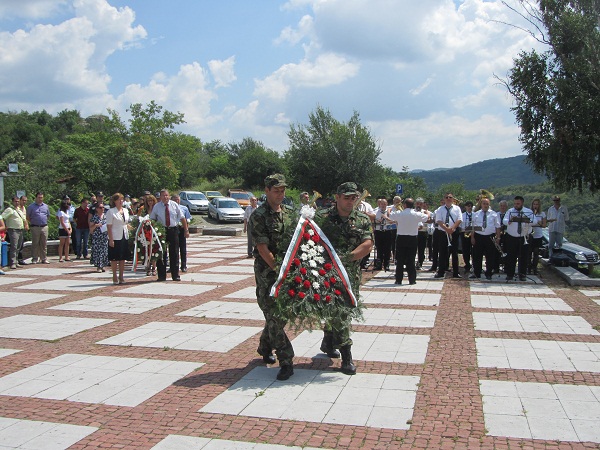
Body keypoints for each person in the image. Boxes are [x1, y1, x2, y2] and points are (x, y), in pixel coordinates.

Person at [315, 182, 374, 375]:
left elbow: (367, 244)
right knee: (335, 309)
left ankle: (337, 347)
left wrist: (345, 259)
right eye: (346, 197)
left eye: (353, 198)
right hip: (325, 273)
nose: (350, 201)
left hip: (350, 275)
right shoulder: (322, 218)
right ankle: (337, 347)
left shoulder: (362, 219)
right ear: (337, 197)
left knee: (342, 311)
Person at [250, 174, 297, 381]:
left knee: (279, 316)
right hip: (268, 274)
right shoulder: (258, 215)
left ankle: (264, 345)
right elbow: (262, 248)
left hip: (289, 272)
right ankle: (286, 360)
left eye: (283, 190)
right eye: (276, 190)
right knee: (273, 316)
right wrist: (280, 270)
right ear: (267, 190)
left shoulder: (289, 213)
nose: (280, 194)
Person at [388, 198, 430, 285]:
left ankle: (398, 279)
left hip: (401, 238)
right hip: (412, 238)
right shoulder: (416, 214)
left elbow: (390, 215)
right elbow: (426, 218)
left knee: (399, 260)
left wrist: (391, 208)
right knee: (411, 260)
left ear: (405, 205)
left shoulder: (400, 213)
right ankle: (412, 280)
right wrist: (427, 212)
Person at [149, 189, 188, 282]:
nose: (165, 197)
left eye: (167, 195)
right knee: (161, 253)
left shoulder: (174, 205)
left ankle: (175, 275)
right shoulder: (157, 207)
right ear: (160, 197)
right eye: (163, 195)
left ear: (169, 196)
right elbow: (152, 219)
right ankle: (162, 276)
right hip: (161, 231)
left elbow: (182, 217)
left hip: (173, 229)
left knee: (174, 252)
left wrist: (186, 230)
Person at [503, 196, 537, 281]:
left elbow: (535, 221)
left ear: (522, 203)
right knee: (511, 256)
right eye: (515, 203)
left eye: (518, 204)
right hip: (512, 237)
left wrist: (527, 220)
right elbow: (504, 221)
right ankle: (510, 274)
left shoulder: (528, 211)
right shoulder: (510, 211)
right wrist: (509, 221)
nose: (516, 205)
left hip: (524, 236)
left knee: (524, 256)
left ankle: (522, 274)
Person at [434, 193, 462, 278]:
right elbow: (438, 220)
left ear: (453, 199)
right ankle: (441, 272)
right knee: (442, 252)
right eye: (446, 197)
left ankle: (456, 272)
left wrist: (452, 228)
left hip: (454, 232)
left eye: (450, 197)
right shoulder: (440, 209)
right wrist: (446, 229)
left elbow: (459, 219)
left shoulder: (457, 208)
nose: (448, 199)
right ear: (444, 199)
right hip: (443, 233)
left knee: (455, 253)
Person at [106, 193, 131, 285]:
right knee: (114, 258)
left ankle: (121, 276)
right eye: (118, 200)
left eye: (122, 199)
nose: (121, 201)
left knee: (122, 257)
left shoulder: (125, 210)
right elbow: (109, 226)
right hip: (115, 236)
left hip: (124, 235)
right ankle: (114, 276)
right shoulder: (111, 211)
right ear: (114, 201)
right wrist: (111, 239)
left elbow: (125, 223)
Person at [470, 197, 497, 280]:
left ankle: (488, 273)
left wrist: (498, 237)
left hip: (490, 236)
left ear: (489, 205)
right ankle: (477, 273)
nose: (485, 205)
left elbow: (498, 226)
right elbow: (473, 227)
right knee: (477, 256)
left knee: (490, 256)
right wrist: (472, 237)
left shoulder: (494, 214)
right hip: (478, 236)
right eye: (484, 203)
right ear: (481, 204)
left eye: (487, 204)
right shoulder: (476, 214)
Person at [2, 196, 26, 269]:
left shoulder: (19, 210)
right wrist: (4, 226)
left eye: (18, 201)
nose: (17, 203)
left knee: (18, 246)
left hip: (20, 230)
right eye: (15, 201)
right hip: (13, 230)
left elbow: (24, 219)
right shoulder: (9, 210)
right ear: (12, 202)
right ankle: (12, 263)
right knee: (14, 246)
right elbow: (2, 217)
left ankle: (16, 261)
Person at [26, 192, 50, 264]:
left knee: (44, 243)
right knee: (35, 243)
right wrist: (34, 222)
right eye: (39, 197)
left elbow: (47, 215)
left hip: (44, 226)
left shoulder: (46, 206)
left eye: (42, 197)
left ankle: (44, 258)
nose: (40, 199)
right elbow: (28, 217)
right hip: (35, 227)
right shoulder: (31, 207)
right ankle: (34, 258)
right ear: (36, 198)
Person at [171, 194, 191, 272]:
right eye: (175, 199)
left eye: (178, 199)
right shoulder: (170, 208)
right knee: (173, 248)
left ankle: (183, 265)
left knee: (182, 248)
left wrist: (186, 229)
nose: (177, 201)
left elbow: (188, 218)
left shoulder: (184, 208)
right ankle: (173, 265)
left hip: (181, 228)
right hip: (173, 229)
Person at [373, 197, 394, 271]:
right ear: (379, 204)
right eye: (382, 204)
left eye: (384, 204)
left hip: (387, 231)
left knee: (387, 249)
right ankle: (379, 264)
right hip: (379, 232)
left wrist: (386, 218)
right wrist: (376, 221)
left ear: (386, 204)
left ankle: (386, 264)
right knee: (379, 248)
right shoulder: (376, 211)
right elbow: (372, 220)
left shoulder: (389, 212)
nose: (383, 205)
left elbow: (393, 221)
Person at [89, 200, 108, 273]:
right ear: (97, 209)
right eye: (100, 207)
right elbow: (91, 228)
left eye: (103, 207)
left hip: (104, 236)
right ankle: (98, 266)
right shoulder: (94, 217)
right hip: (97, 237)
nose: (102, 209)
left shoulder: (106, 216)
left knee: (104, 251)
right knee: (98, 251)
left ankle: (102, 265)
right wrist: (96, 225)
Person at [357, 195, 375, 269]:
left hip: (365, 227)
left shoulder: (367, 205)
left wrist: (366, 214)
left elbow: (373, 216)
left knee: (367, 244)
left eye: (360, 196)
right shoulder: (353, 204)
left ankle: (364, 261)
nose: (359, 198)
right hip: (355, 227)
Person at [528, 199, 547, 275]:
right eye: (534, 204)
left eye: (537, 204)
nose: (535, 206)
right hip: (530, 234)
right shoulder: (529, 213)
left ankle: (535, 268)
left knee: (536, 252)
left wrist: (538, 222)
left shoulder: (542, 214)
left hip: (538, 235)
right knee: (529, 252)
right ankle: (528, 268)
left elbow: (544, 225)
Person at [493, 200, 509, 274]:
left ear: (506, 207)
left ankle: (506, 267)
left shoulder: (509, 215)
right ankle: (496, 267)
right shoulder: (496, 214)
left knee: (506, 251)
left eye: (504, 206)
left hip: (506, 235)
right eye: (501, 206)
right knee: (496, 251)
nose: (503, 207)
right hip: (498, 234)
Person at [415, 197, 430, 270]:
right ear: (415, 204)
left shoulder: (425, 212)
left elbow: (430, 220)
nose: (419, 205)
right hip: (414, 233)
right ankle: (411, 263)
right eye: (417, 203)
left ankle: (420, 263)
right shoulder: (412, 211)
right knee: (413, 249)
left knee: (421, 249)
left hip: (423, 232)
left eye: (420, 204)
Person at [461, 201, 474, 272]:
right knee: (465, 250)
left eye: (471, 206)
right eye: (468, 206)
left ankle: (474, 265)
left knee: (473, 251)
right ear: (465, 207)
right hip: (464, 233)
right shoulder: (462, 215)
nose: (470, 207)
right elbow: (460, 225)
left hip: (473, 234)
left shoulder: (475, 215)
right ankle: (467, 265)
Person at [17, 195, 29, 265]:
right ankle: (16, 260)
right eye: (23, 200)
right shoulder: (16, 209)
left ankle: (20, 259)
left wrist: (26, 225)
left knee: (21, 244)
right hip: (16, 228)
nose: (24, 202)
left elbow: (25, 218)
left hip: (22, 228)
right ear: (20, 200)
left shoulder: (24, 208)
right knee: (16, 245)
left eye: (25, 200)